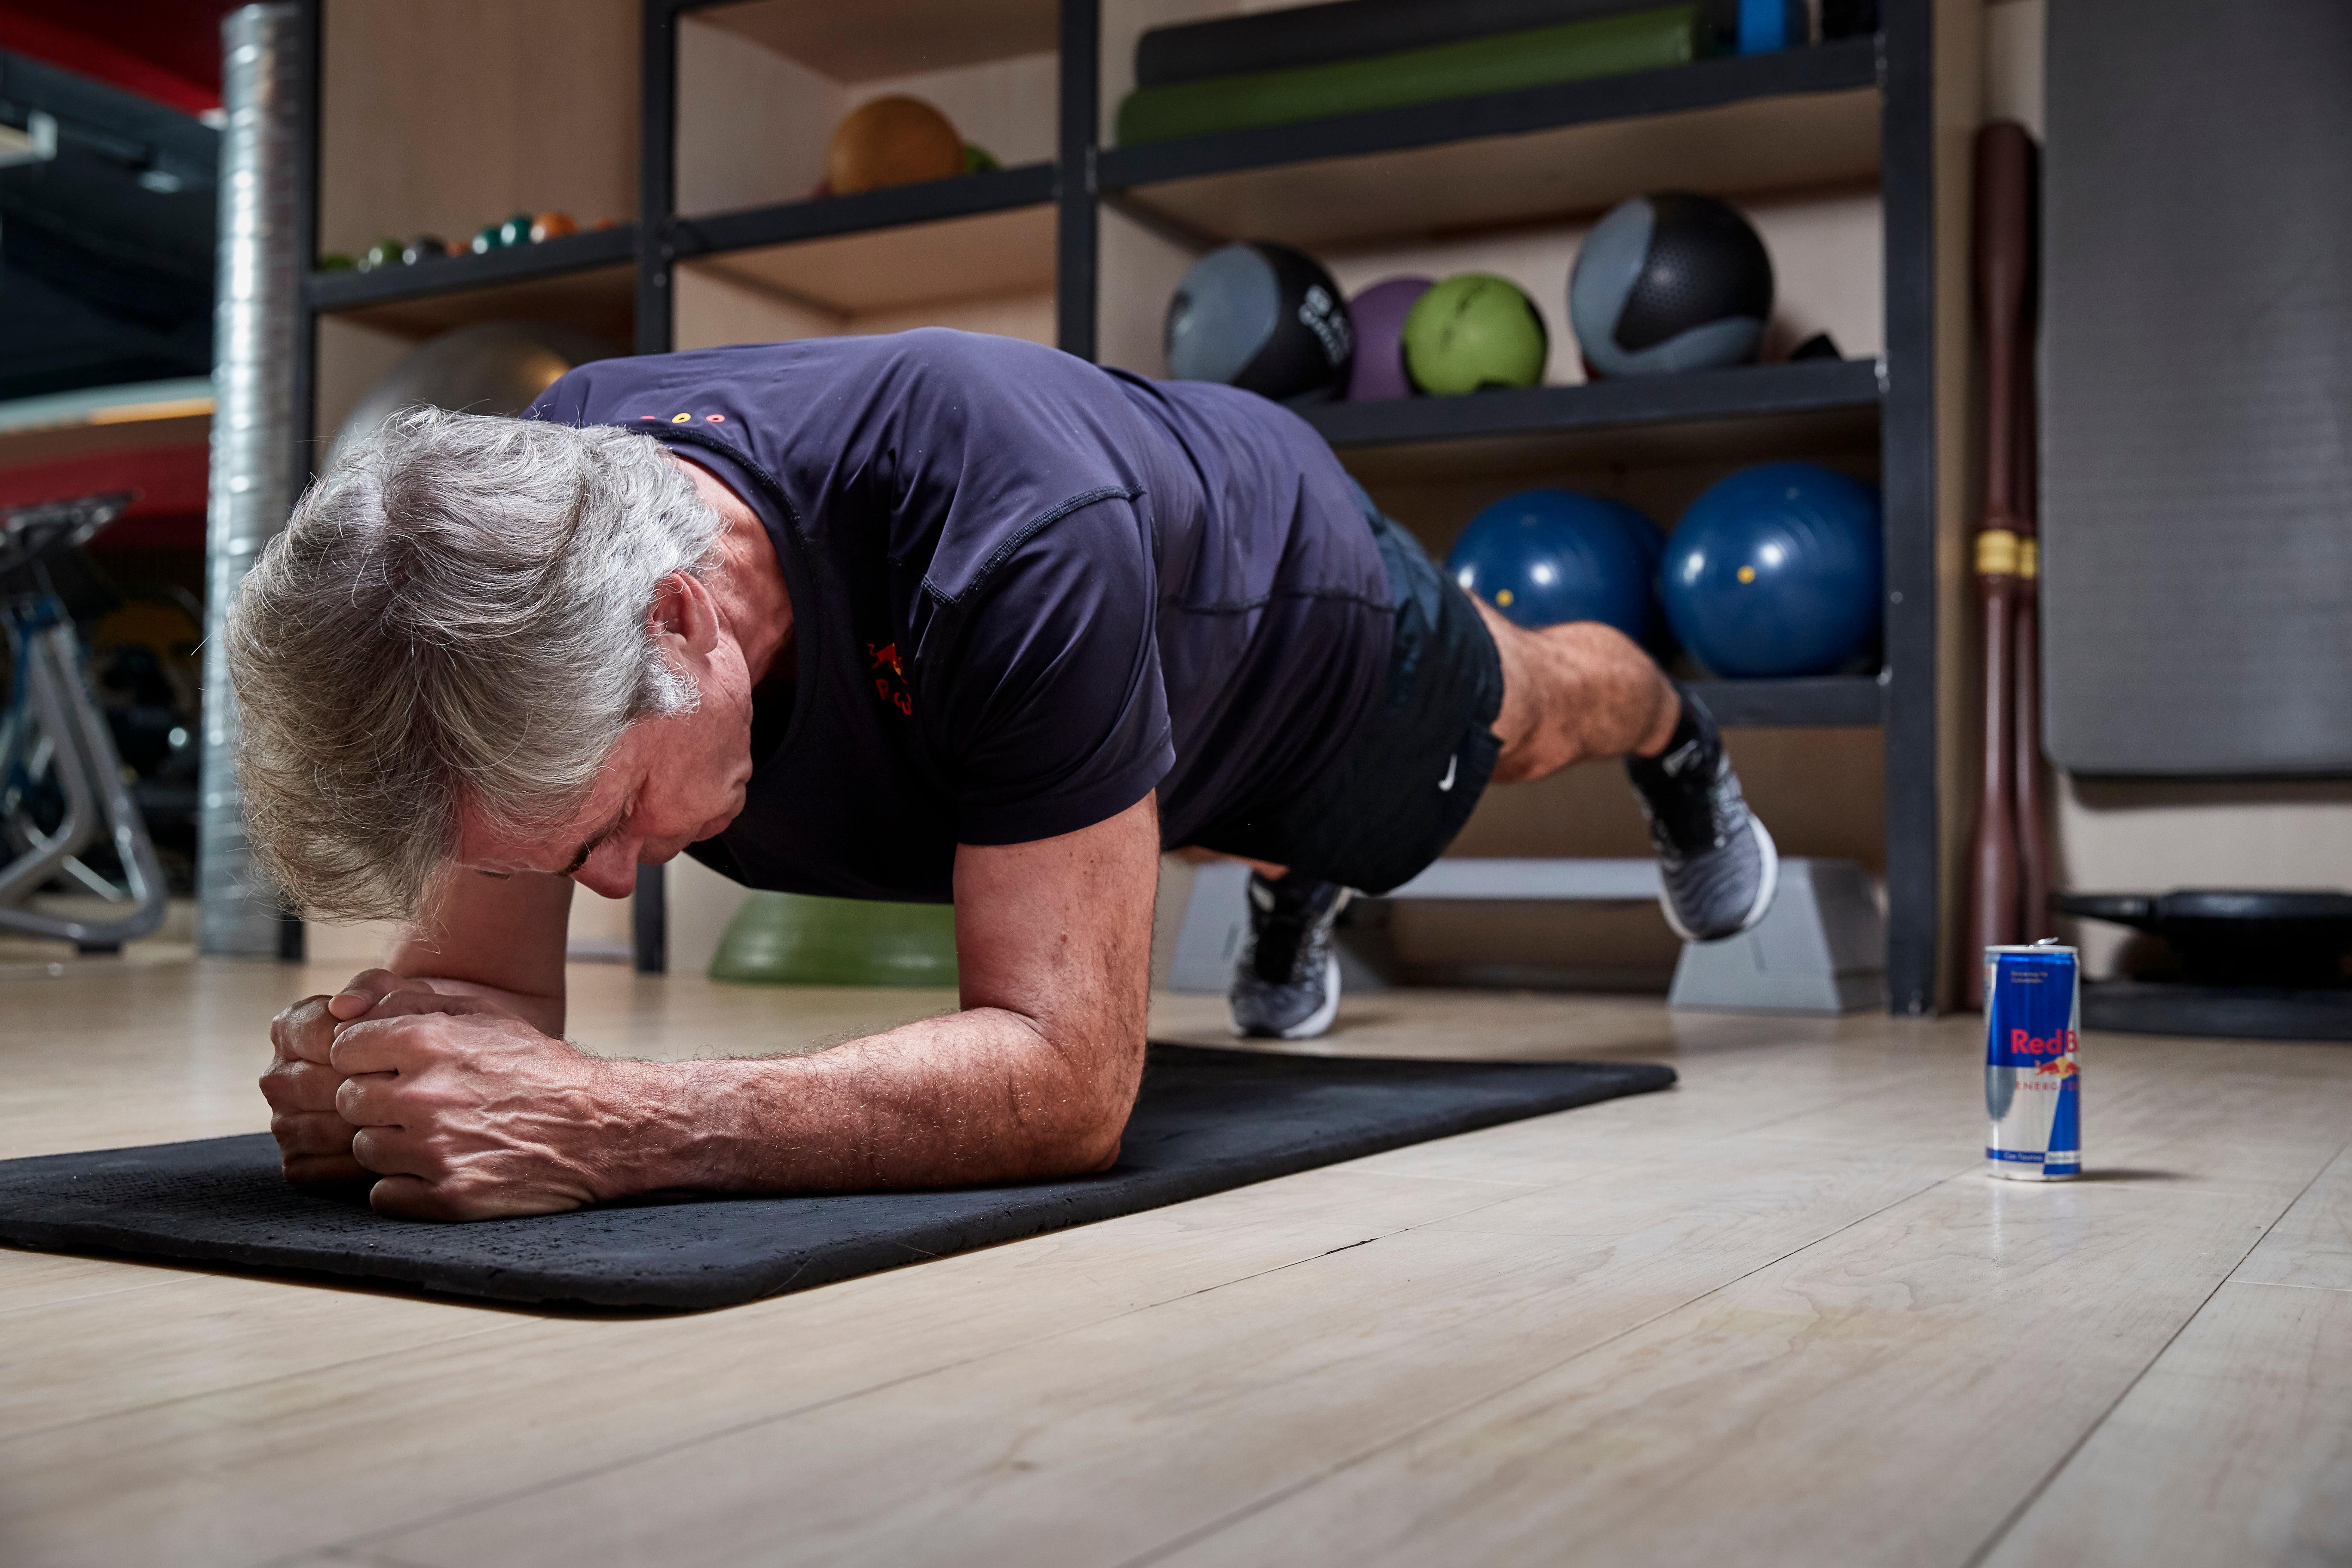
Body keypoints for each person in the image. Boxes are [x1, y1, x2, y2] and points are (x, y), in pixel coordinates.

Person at [237, 329, 1774, 1222]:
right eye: (572, 855)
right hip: (1059, 712)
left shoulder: (1008, 529)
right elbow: (485, 1013)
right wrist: (389, 1085)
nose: (623, 881)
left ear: (685, 619)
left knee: (1533, 712)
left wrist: (614, 1123)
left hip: (1299, 635)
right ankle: (1277, 877)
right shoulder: (519, 562)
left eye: (615, 823)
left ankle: (1680, 746)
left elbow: (1069, 1088)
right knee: (1079, 812)